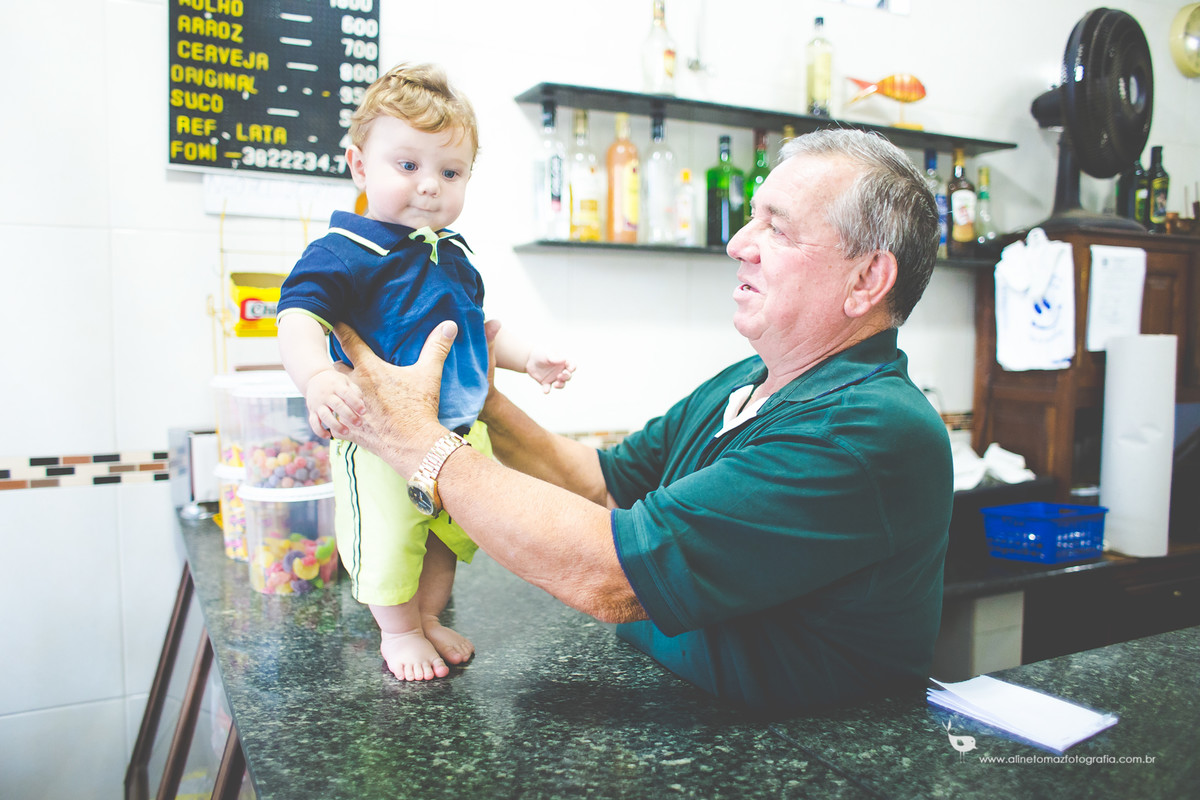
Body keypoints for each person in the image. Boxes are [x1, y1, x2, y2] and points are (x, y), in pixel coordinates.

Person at [326, 128, 953, 714]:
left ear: (868, 277)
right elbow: (605, 483)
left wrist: (418, 444)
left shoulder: (864, 432)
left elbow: (612, 574)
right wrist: (477, 394)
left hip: (798, 765)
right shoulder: (747, 381)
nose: (738, 244)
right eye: (751, 219)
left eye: (778, 230)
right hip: (687, 713)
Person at [276, 62, 574, 683]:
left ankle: (429, 616)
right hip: (381, 438)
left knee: (445, 537)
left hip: (457, 436)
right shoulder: (345, 252)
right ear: (360, 166)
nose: (431, 186)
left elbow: (479, 328)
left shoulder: (455, 254)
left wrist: (527, 359)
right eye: (407, 166)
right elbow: (297, 316)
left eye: (450, 171)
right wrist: (316, 378)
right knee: (389, 539)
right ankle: (400, 629)